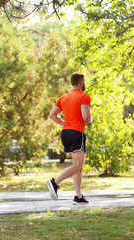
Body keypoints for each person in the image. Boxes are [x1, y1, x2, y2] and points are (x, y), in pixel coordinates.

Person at [46, 73, 92, 205]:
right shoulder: (84, 96)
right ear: (81, 82)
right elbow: (86, 118)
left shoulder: (63, 97)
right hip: (77, 133)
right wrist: (90, 120)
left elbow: (52, 115)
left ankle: (78, 196)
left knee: (78, 165)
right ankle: (54, 183)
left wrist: (65, 124)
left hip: (65, 133)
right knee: (78, 165)